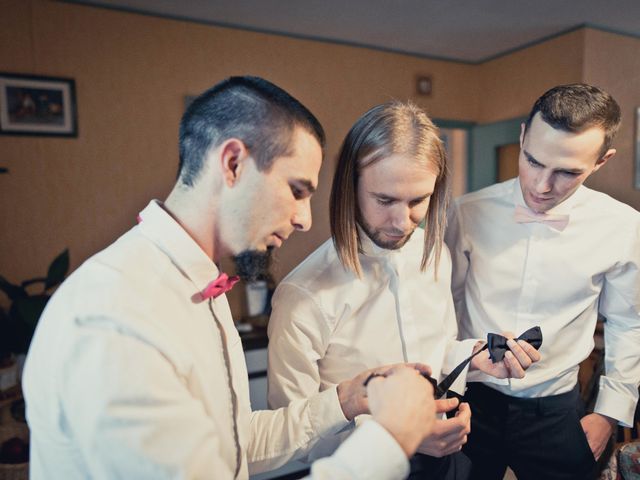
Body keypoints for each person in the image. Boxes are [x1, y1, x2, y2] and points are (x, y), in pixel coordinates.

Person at [22, 76, 439, 480]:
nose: (305, 220)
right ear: (233, 163)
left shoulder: (199, 288)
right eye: (297, 190)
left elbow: (235, 445)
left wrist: (345, 400)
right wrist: (390, 440)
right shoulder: (116, 316)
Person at [267, 101, 540, 479]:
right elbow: (290, 433)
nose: (401, 221)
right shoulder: (303, 294)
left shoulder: (436, 255)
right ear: (351, 186)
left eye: (418, 201)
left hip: (449, 463)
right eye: (385, 200)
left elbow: (436, 351)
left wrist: (472, 358)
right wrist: (399, 437)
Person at [445, 83, 640, 480]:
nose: (541, 186)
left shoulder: (624, 227)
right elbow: (441, 307)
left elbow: (629, 322)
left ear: (602, 161)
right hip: (470, 399)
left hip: (556, 411)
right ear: (521, 137)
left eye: (567, 172)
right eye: (533, 161)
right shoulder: (466, 213)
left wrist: (608, 413)